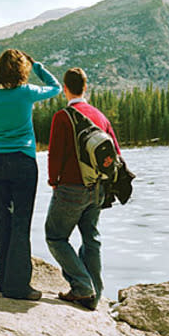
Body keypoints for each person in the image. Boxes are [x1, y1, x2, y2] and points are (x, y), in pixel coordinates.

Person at [0, 49, 61, 300]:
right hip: (23, 162)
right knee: (20, 223)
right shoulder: (27, 92)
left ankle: (4, 283)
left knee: (2, 221)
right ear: (21, 70)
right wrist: (38, 67)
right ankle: (19, 287)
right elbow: (56, 87)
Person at [45, 67, 121, 310]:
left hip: (70, 188)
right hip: (97, 188)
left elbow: (55, 155)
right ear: (85, 87)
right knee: (91, 238)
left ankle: (82, 286)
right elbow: (116, 154)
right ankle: (94, 295)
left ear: (65, 89)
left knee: (56, 237)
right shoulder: (100, 116)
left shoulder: (63, 116)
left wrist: (53, 181)